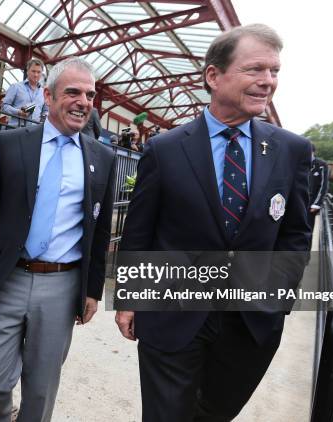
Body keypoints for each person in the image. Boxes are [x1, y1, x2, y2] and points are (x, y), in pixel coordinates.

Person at [115, 24, 311, 422]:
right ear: (213, 76)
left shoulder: (291, 150)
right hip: (170, 314)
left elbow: (295, 235)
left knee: (215, 415)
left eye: (274, 71)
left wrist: (278, 301)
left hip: (250, 324)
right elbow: (139, 232)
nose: (267, 81)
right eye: (255, 69)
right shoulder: (164, 149)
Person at [0, 57, 116, 422]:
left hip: (62, 284)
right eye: (72, 92)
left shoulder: (103, 157)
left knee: (41, 390)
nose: (83, 102)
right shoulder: (10, 144)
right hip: (8, 277)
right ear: (48, 95)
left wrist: (92, 290)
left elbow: (100, 230)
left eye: (90, 95)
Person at [1, 58, 48, 128]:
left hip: (33, 132)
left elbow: (45, 111)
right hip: (15, 129)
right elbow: (4, 106)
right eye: (33, 71)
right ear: (27, 71)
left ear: (41, 73)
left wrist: (43, 120)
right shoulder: (16, 87)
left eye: (39, 72)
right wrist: (18, 112)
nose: (36, 75)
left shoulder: (43, 92)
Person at [308, 143, 330, 233]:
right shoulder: (299, 163)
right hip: (299, 203)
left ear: (313, 152)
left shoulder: (321, 165)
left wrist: (317, 204)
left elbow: (323, 185)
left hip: (312, 204)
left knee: (308, 230)